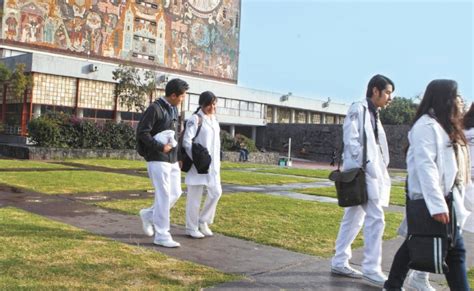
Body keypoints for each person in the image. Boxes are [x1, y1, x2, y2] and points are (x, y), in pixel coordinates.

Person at [383, 80, 471, 291]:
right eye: (456, 95)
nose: (460, 100)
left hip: (446, 198)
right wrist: (437, 205)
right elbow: (426, 167)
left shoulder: (442, 126)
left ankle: (392, 285)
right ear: (445, 98)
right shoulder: (426, 126)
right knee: (453, 251)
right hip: (431, 199)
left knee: (416, 244)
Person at [330, 74, 394, 287]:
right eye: (387, 92)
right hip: (363, 171)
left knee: (354, 217)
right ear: (375, 90)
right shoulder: (358, 108)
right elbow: (351, 139)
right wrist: (363, 165)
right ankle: (371, 268)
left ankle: (340, 260)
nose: (389, 98)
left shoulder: (374, 113)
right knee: (376, 218)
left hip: (370, 170)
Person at [137, 78, 189, 248]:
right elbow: (142, 133)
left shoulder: (173, 109)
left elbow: (175, 135)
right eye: (182, 96)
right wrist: (159, 146)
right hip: (157, 158)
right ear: (173, 95)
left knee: (176, 193)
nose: (183, 99)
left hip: (172, 159)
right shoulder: (155, 109)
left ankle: (148, 215)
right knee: (164, 195)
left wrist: (179, 156)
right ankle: (162, 234)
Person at [182, 91, 222, 238]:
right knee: (194, 198)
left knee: (216, 192)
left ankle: (203, 220)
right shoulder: (196, 118)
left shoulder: (214, 120)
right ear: (202, 104)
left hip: (213, 165)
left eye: (214, 103)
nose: (212, 107)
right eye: (209, 104)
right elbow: (187, 141)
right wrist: (197, 159)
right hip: (198, 165)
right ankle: (191, 227)